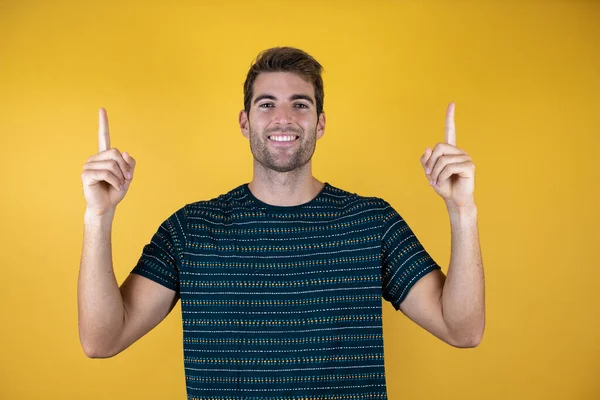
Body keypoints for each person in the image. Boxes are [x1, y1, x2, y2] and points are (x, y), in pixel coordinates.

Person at [78, 47, 485, 399]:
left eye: (301, 104)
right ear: (244, 121)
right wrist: (98, 217)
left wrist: (462, 212)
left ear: (320, 123)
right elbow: (102, 340)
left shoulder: (371, 222)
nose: (283, 118)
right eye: (267, 103)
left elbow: (461, 330)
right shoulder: (191, 230)